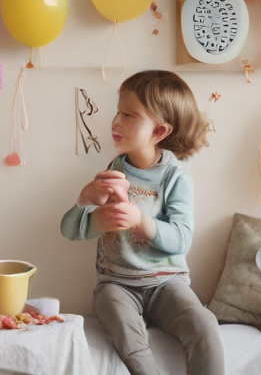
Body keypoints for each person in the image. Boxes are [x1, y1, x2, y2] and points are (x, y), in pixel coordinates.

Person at [61, 70, 225, 375]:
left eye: (128, 114)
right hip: (116, 283)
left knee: (204, 325)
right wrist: (88, 205)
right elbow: (69, 229)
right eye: (118, 111)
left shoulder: (175, 178)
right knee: (126, 331)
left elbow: (181, 239)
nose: (115, 121)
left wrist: (140, 220)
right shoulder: (113, 170)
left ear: (158, 131)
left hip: (167, 282)